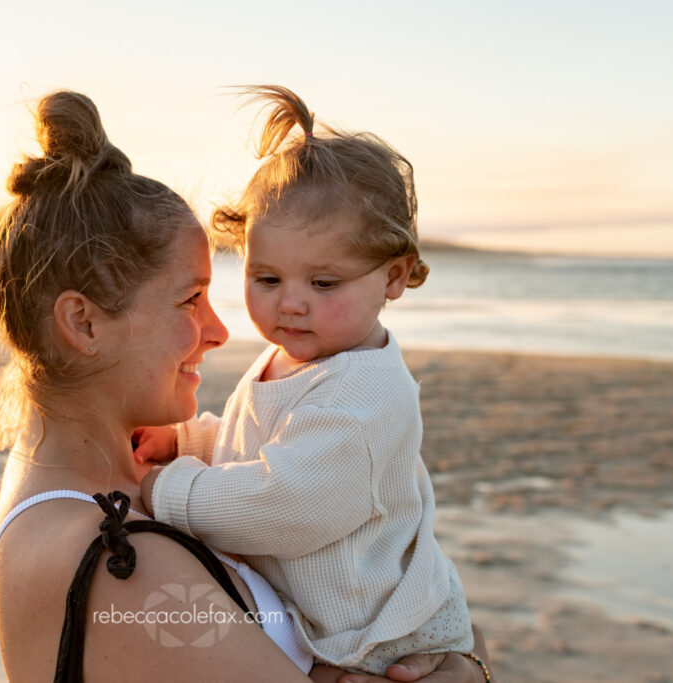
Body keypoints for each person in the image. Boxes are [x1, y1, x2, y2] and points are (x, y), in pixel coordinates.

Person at [0, 88, 491, 682]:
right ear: (83, 322)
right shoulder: (122, 563)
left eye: (324, 282)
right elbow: (272, 479)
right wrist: (477, 666)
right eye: (191, 299)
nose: (220, 330)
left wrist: (468, 652)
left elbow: (269, 467)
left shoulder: (81, 487)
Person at [138, 85, 478, 676]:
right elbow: (265, 445)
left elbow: (283, 502)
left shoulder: (364, 399)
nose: (291, 305)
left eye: (324, 284)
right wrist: (193, 441)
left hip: (377, 634)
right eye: (266, 278)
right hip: (325, 609)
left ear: (394, 276)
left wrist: (170, 490)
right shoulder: (301, 354)